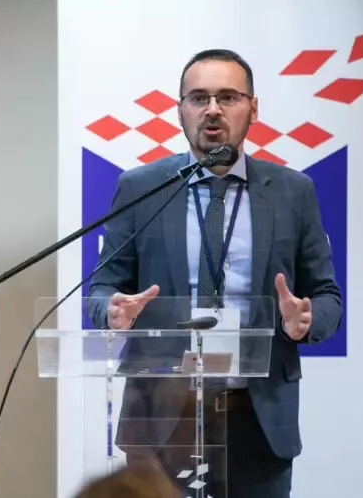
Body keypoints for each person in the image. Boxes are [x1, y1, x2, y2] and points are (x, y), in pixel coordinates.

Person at [86, 48, 342, 497]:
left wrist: (306, 321)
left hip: (257, 418)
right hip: (163, 416)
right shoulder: (141, 187)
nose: (213, 110)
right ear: (179, 110)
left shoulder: (292, 191)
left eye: (228, 97)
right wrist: (111, 310)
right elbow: (103, 287)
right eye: (199, 98)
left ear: (253, 109)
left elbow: (327, 297)